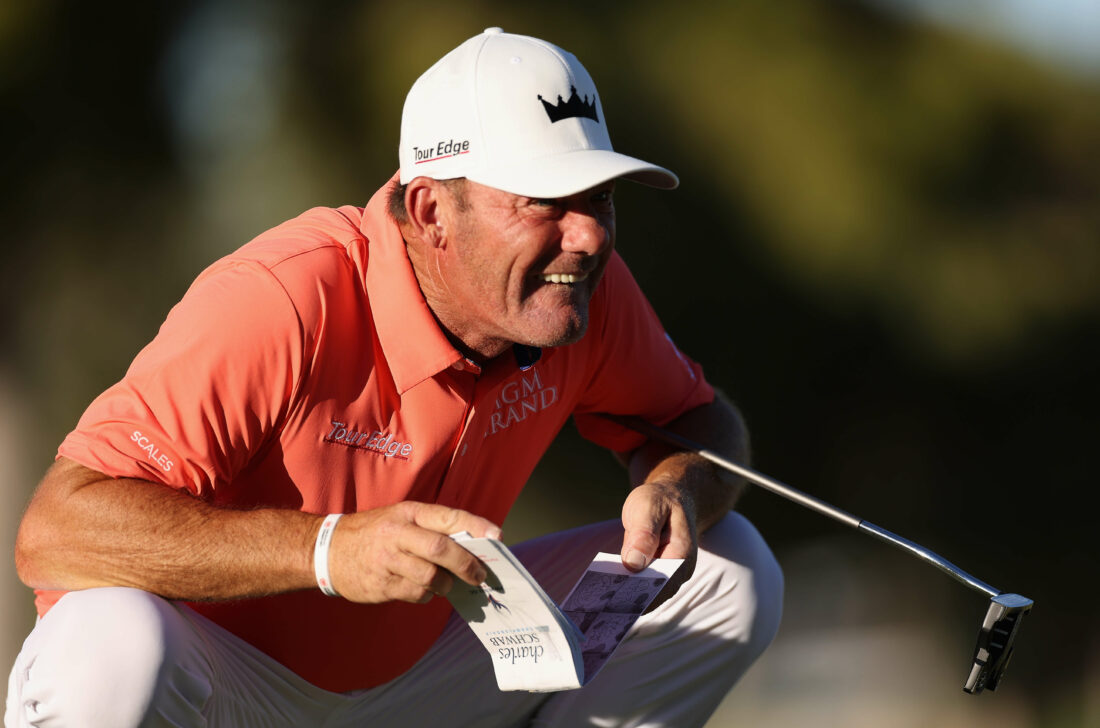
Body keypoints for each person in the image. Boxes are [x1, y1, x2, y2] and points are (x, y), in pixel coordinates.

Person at [7, 28, 783, 727]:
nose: (586, 236)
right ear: (432, 209)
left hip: (429, 680)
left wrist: (678, 485)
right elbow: (57, 530)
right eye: (546, 201)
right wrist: (328, 550)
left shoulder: (580, 295)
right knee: (109, 646)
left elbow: (702, 424)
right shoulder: (286, 295)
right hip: (225, 691)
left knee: (729, 565)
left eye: (600, 199)